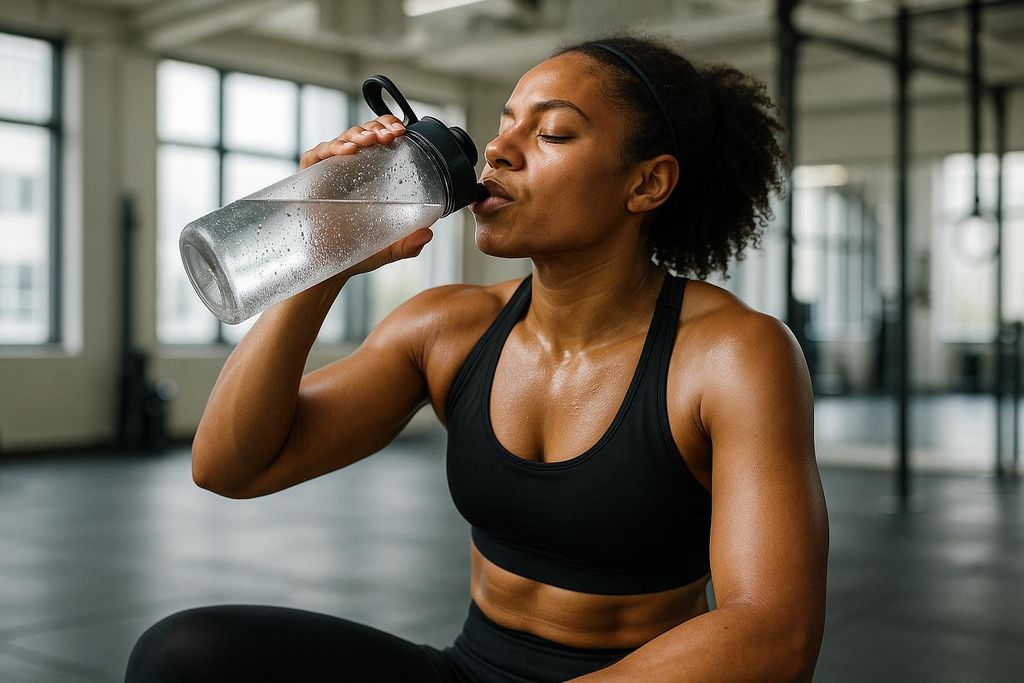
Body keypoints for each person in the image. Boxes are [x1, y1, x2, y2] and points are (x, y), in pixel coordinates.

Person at [126, 32, 828, 683]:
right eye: (506, 123)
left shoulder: (732, 354)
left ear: (646, 184)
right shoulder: (449, 328)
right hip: (470, 668)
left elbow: (773, 631)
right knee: (185, 655)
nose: (498, 150)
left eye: (552, 131)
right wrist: (324, 251)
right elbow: (229, 464)